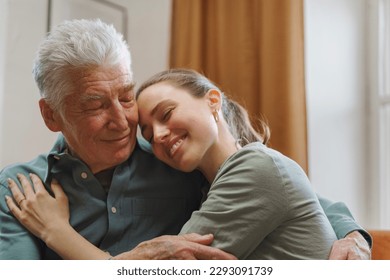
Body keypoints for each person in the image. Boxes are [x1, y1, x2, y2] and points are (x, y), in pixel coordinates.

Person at [0, 19, 370, 259]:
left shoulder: (176, 160)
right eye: (95, 105)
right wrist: (140, 259)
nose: (122, 120)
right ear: (51, 115)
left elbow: (299, 194)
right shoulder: (22, 193)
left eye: (126, 97)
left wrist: (354, 238)